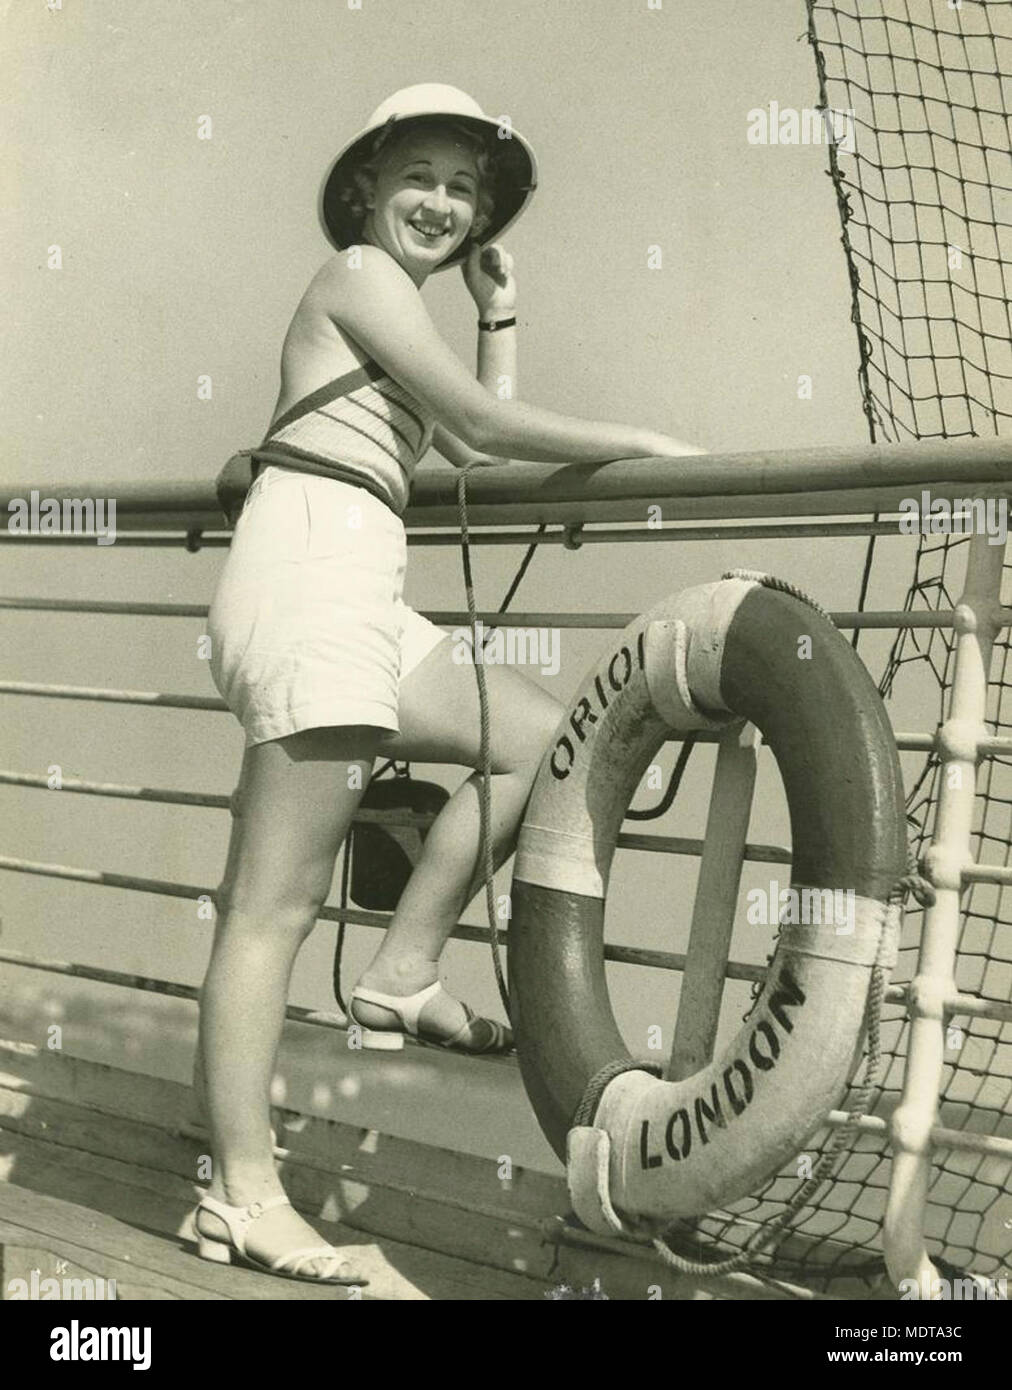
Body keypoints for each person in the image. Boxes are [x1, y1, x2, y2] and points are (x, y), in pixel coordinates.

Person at [192, 83, 705, 1285]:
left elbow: (470, 440)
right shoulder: (359, 277)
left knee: (538, 741)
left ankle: (404, 967)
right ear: (366, 186)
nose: (442, 202)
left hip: (361, 586)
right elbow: (476, 421)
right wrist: (651, 444)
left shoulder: (404, 305)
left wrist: (503, 316)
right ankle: (243, 1193)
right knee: (269, 908)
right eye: (420, 175)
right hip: (311, 575)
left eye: (464, 188)